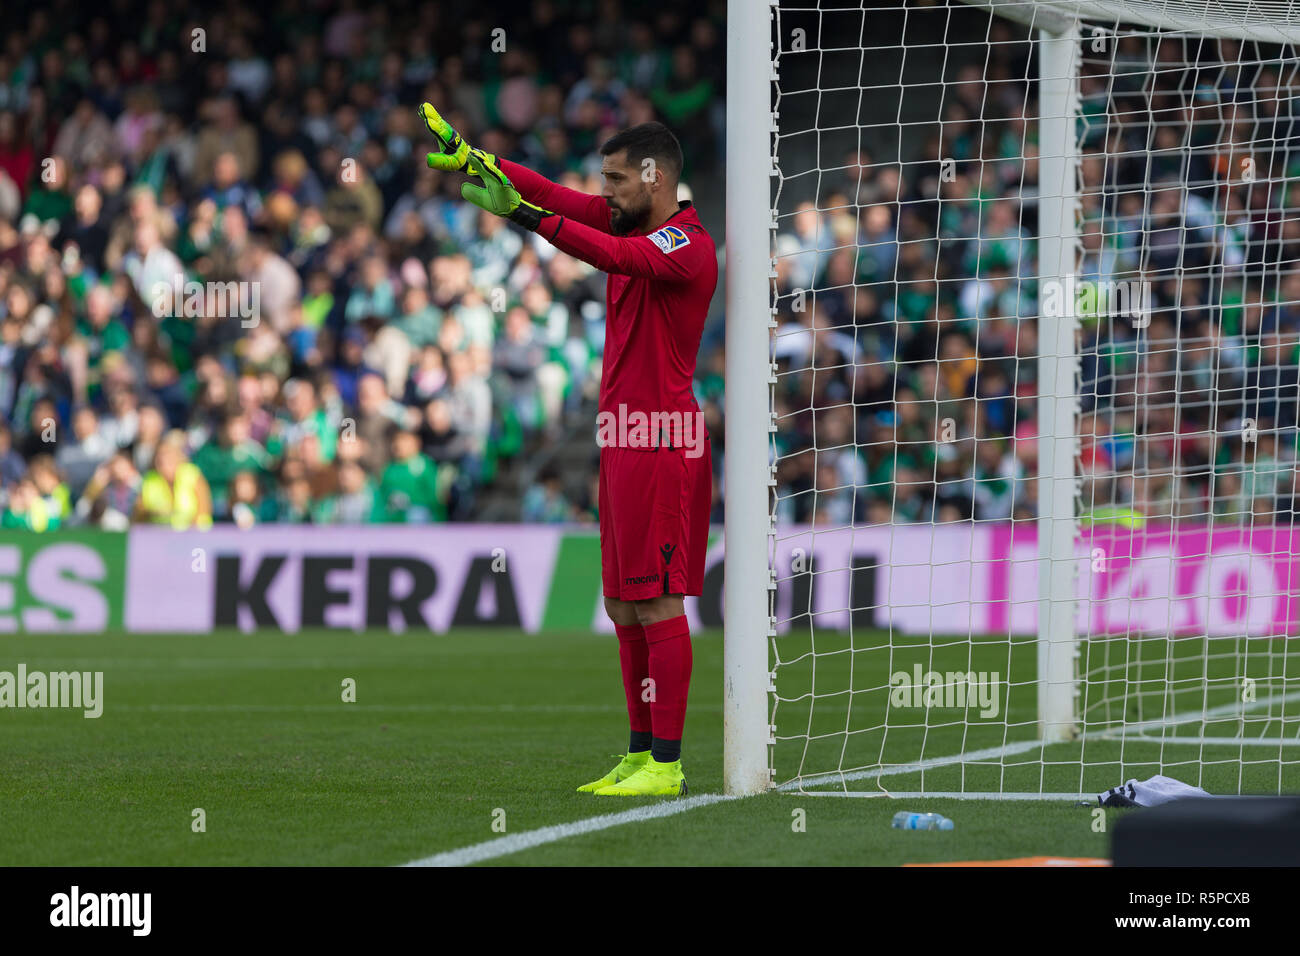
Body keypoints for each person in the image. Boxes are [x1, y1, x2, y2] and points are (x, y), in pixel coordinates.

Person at [421, 105, 717, 797]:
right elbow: (558, 197)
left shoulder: (687, 242)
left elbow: (611, 255)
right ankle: (640, 754)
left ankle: (668, 765)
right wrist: (478, 160)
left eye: (615, 181)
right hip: (621, 440)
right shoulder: (631, 217)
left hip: (663, 441)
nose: (605, 193)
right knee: (621, 605)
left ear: (655, 177)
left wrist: (520, 217)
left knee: (658, 604)